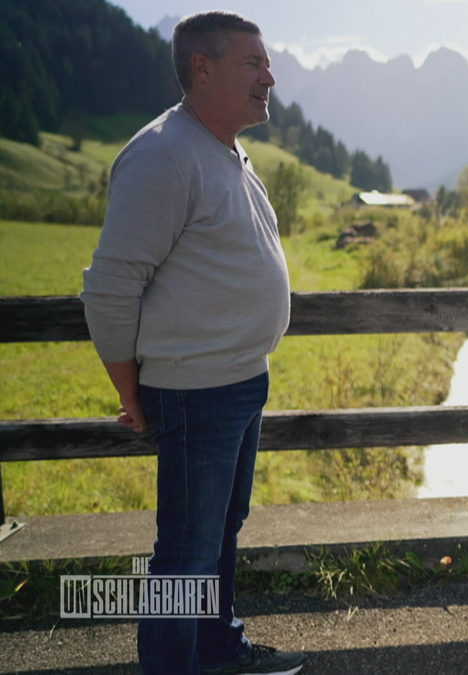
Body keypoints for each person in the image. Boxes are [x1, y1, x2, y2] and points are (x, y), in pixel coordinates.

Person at [81, 11, 304, 675]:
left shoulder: (225, 147)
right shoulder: (163, 154)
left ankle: (217, 648)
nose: (270, 76)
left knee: (219, 534)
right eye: (253, 63)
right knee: (185, 552)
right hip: (194, 390)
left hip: (238, 381)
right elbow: (111, 287)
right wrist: (129, 391)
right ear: (201, 68)